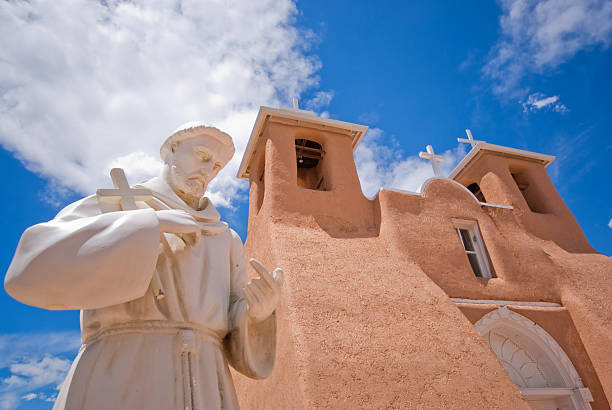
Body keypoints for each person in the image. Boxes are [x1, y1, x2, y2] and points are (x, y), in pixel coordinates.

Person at [5, 122, 282, 410]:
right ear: (172, 149)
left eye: (216, 166)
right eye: (201, 155)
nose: (208, 170)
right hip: (121, 371)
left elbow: (233, 313)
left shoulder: (225, 237)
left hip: (207, 381)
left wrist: (255, 314)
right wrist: (148, 225)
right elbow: (30, 266)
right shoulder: (118, 206)